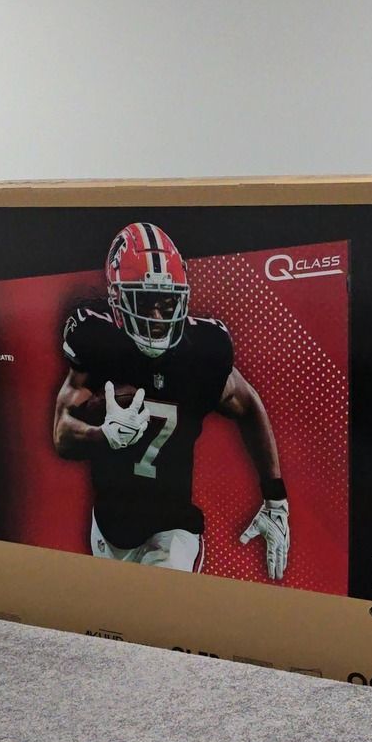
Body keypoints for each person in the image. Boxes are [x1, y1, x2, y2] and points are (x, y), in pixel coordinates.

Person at [52, 220, 290, 578]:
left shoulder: (202, 350)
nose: (159, 317)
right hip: (110, 524)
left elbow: (247, 404)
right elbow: (62, 433)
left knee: (161, 611)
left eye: (168, 301)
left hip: (173, 526)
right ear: (117, 299)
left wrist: (276, 500)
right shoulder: (95, 339)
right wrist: (103, 436)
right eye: (146, 303)